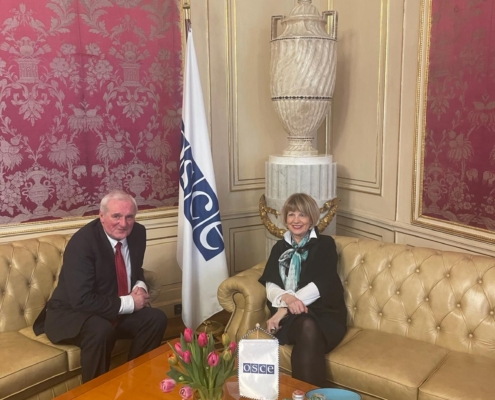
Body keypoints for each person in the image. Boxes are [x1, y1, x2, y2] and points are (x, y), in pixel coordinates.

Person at [34, 190, 168, 383]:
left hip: (111, 308)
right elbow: (82, 300)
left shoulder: (138, 232)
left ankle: (135, 382)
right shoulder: (82, 243)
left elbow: (135, 269)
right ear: (102, 216)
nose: (124, 223)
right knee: (100, 330)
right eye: (116, 216)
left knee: (156, 318)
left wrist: (140, 286)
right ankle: (96, 392)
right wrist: (131, 303)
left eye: (129, 217)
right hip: (73, 313)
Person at [259, 193, 347, 387]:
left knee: (308, 326)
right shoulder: (279, 247)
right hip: (294, 314)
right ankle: (309, 395)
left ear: (311, 219)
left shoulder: (325, 245)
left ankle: (304, 394)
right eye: (291, 215)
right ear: (285, 219)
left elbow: (321, 284)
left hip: (324, 312)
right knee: (305, 324)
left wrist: (282, 311)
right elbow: (271, 285)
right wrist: (288, 300)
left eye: (302, 215)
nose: (296, 220)